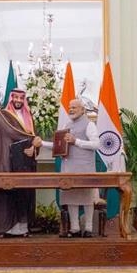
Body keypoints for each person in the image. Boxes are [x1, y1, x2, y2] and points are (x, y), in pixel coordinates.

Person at [0, 88, 43, 237]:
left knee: (24, 195)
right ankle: (5, 228)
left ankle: (22, 228)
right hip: (8, 163)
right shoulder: (3, 115)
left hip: (25, 164)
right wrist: (34, 140)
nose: (18, 100)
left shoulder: (28, 116)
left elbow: (33, 136)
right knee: (8, 195)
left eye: (21, 98)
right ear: (11, 98)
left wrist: (34, 147)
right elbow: (13, 133)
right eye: (15, 97)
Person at [42, 98, 100, 238]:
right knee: (71, 198)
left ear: (82, 110)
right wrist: (42, 143)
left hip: (84, 170)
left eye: (74, 107)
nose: (71, 110)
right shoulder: (66, 125)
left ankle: (88, 228)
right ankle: (74, 228)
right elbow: (58, 146)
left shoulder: (89, 124)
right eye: (70, 107)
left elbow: (96, 144)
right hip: (68, 169)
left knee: (87, 198)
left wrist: (76, 141)